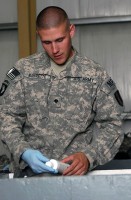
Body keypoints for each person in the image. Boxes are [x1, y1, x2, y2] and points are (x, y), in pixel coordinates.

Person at [0, 6, 124, 177]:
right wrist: (23, 151)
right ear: (39, 36)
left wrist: (89, 156)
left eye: (60, 40)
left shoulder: (94, 74)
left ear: (71, 31)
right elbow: (6, 117)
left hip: (75, 179)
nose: (55, 50)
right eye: (47, 42)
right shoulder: (24, 70)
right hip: (28, 179)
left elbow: (113, 125)